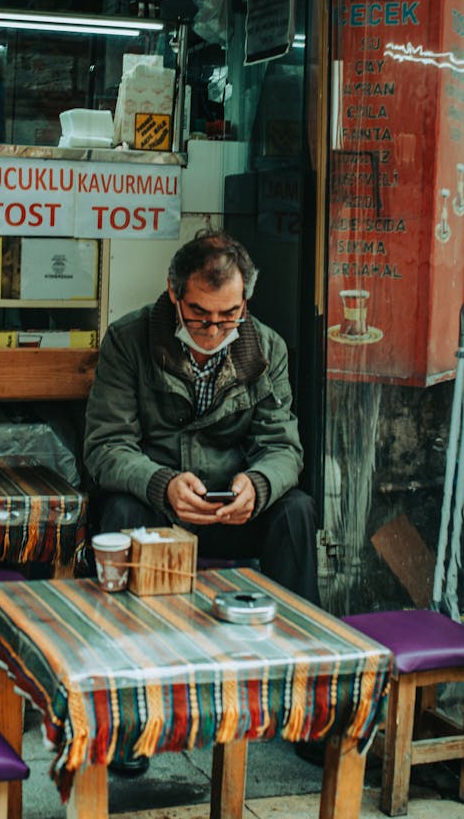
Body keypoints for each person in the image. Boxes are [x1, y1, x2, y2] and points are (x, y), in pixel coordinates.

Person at [83, 229, 320, 772]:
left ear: (245, 302)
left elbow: (283, 446)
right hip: (159, 509)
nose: (214, 330)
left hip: (233, 509)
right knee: (119, 515)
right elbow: (105, 446)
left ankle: (308, 708)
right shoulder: (129, 341)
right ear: (174, 294)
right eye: (200, 315)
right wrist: (161, 482)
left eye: (228, 315)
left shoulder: (267, 348)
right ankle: (128, 720)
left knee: (297, 513)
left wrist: (257, 486)